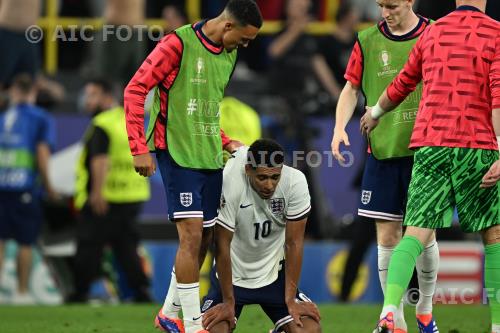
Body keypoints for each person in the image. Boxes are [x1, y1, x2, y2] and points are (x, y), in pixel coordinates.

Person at [358, 1, 500, 332]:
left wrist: (375, 113)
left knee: (415, 233)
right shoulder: (495, 33)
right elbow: (498, 97)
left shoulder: (433, 31)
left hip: (431, 144)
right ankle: (496, 325)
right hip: (476, 145)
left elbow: (404, 80)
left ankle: (390, 310)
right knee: (493, 236)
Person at [123, 1, 262, 332]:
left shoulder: (229, 54)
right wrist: (138, 147)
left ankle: (169, 314)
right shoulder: (177, 44)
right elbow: (135, 89)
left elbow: (205, 107)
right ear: (228, 26)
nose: (245, 46)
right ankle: (194, 324)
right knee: (191, 236)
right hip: (176, 152)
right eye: (244, 39)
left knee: (204, 240)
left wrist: (227, 140)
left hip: (209, 155)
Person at [330, 1, 439, 332]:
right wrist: (338, 129)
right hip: (382, 151)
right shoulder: (366, 40)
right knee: (386, 234)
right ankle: (397, 320)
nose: (384, 12)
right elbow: (351, 87)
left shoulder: (434, 32)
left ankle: (425, 310)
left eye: (391, 5)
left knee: (423, 235)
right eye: (380, 5)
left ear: (409, 1)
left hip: (427, 151)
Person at [201, 139, 321, 333]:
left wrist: (290, 299)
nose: (269, 185)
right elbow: (222, 244)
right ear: (248, 170)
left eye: (275, 177)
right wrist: (228, 302)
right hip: (232, 279)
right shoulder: (230, 181)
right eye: (262, 177)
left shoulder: (295, 182)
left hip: (274, 278)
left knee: (309, 330)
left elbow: (294, 243)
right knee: (213, 331)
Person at [70, 78, 151, 303]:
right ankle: (141, 292)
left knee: (89, 245)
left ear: (107, 96)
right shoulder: (130, 120)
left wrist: (97, 192)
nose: (87, 100)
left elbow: (100, 160)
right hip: (132, 194)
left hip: (107, 196)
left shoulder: (102, 124)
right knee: (127, 247)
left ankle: (80, 292)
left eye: (92, 94)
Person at [0, 73, 56, 304]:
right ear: (33, 92)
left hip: (2, 186)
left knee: (0, 240)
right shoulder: (40, 117)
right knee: (25, 242)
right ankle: (21, 292)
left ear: (14, 91)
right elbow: (42, 153)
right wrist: (49, 185)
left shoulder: (4, 116)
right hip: (24, 186)